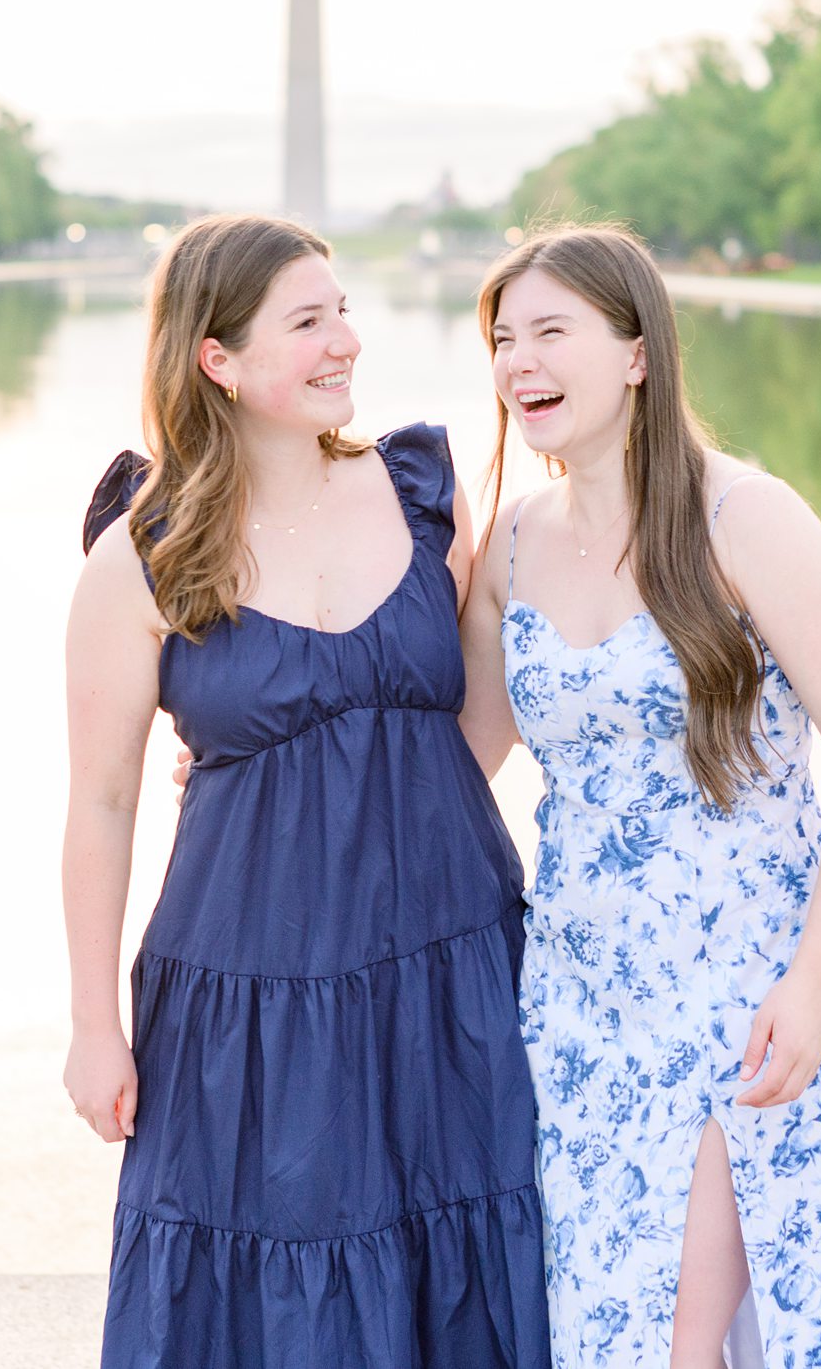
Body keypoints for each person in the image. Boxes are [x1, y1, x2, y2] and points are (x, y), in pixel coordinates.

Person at [60, 214, 550, 1368]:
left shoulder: (426, 494)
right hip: (248, 986)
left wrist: (341, 805)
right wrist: (94, 1024)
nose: (348, 341)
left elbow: (476, 720)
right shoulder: (142, 551)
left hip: (446, 955)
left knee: (465, 1250)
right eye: (309, 320)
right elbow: (101, 801)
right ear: (216, 359)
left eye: (343, 309)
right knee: (272, 1277)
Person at [457, 224, 821, 1369]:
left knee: (675, 1338)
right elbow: (452, 767)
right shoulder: (511, 547)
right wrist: (248, 765)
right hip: (570, 1002)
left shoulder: (744, 519)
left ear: (637, 352)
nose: (520, 363)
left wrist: (810, 982)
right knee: (589, 1328)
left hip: (737, 992)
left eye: (551, 332)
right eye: (504, 339)